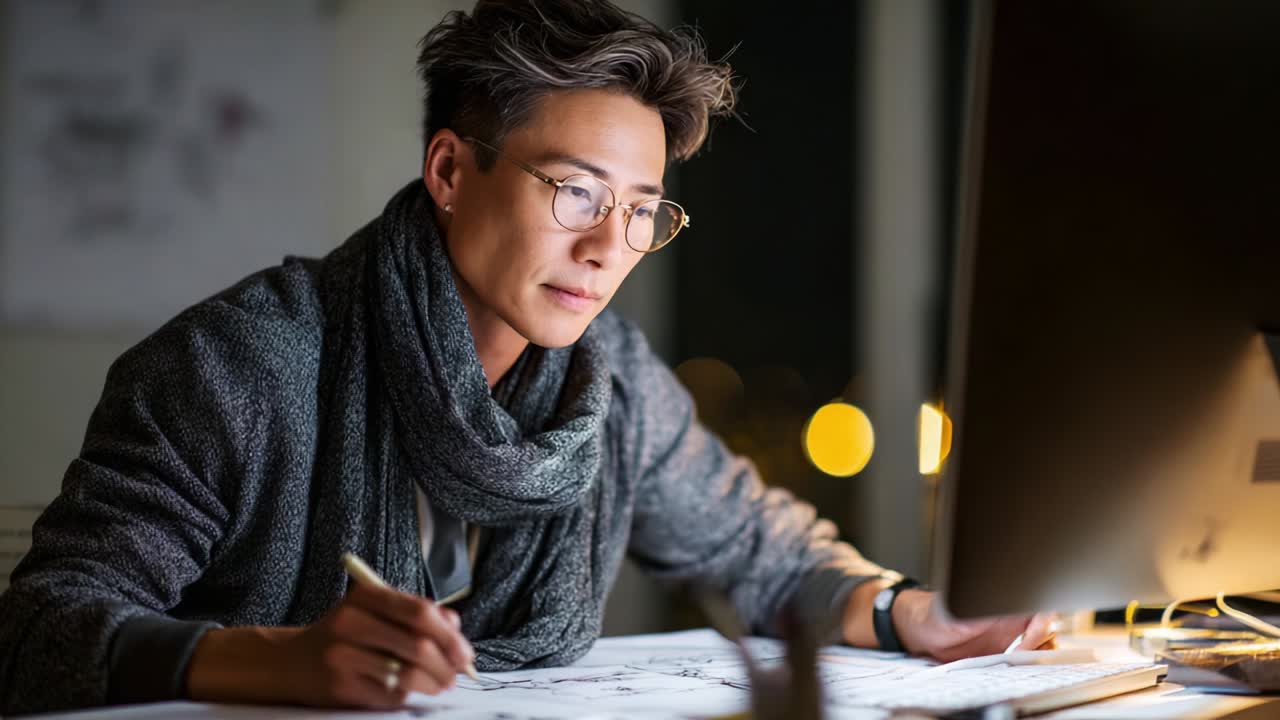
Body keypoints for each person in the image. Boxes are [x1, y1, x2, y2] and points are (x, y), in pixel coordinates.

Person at [0, 0, 1055, 714]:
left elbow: (761, 552)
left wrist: (909, 608)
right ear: (452, 170)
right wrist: (268, 655)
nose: (606, 248)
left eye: (641, 211)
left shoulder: (613, 384)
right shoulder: (237, 368)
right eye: (574, 193)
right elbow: (40, 628)